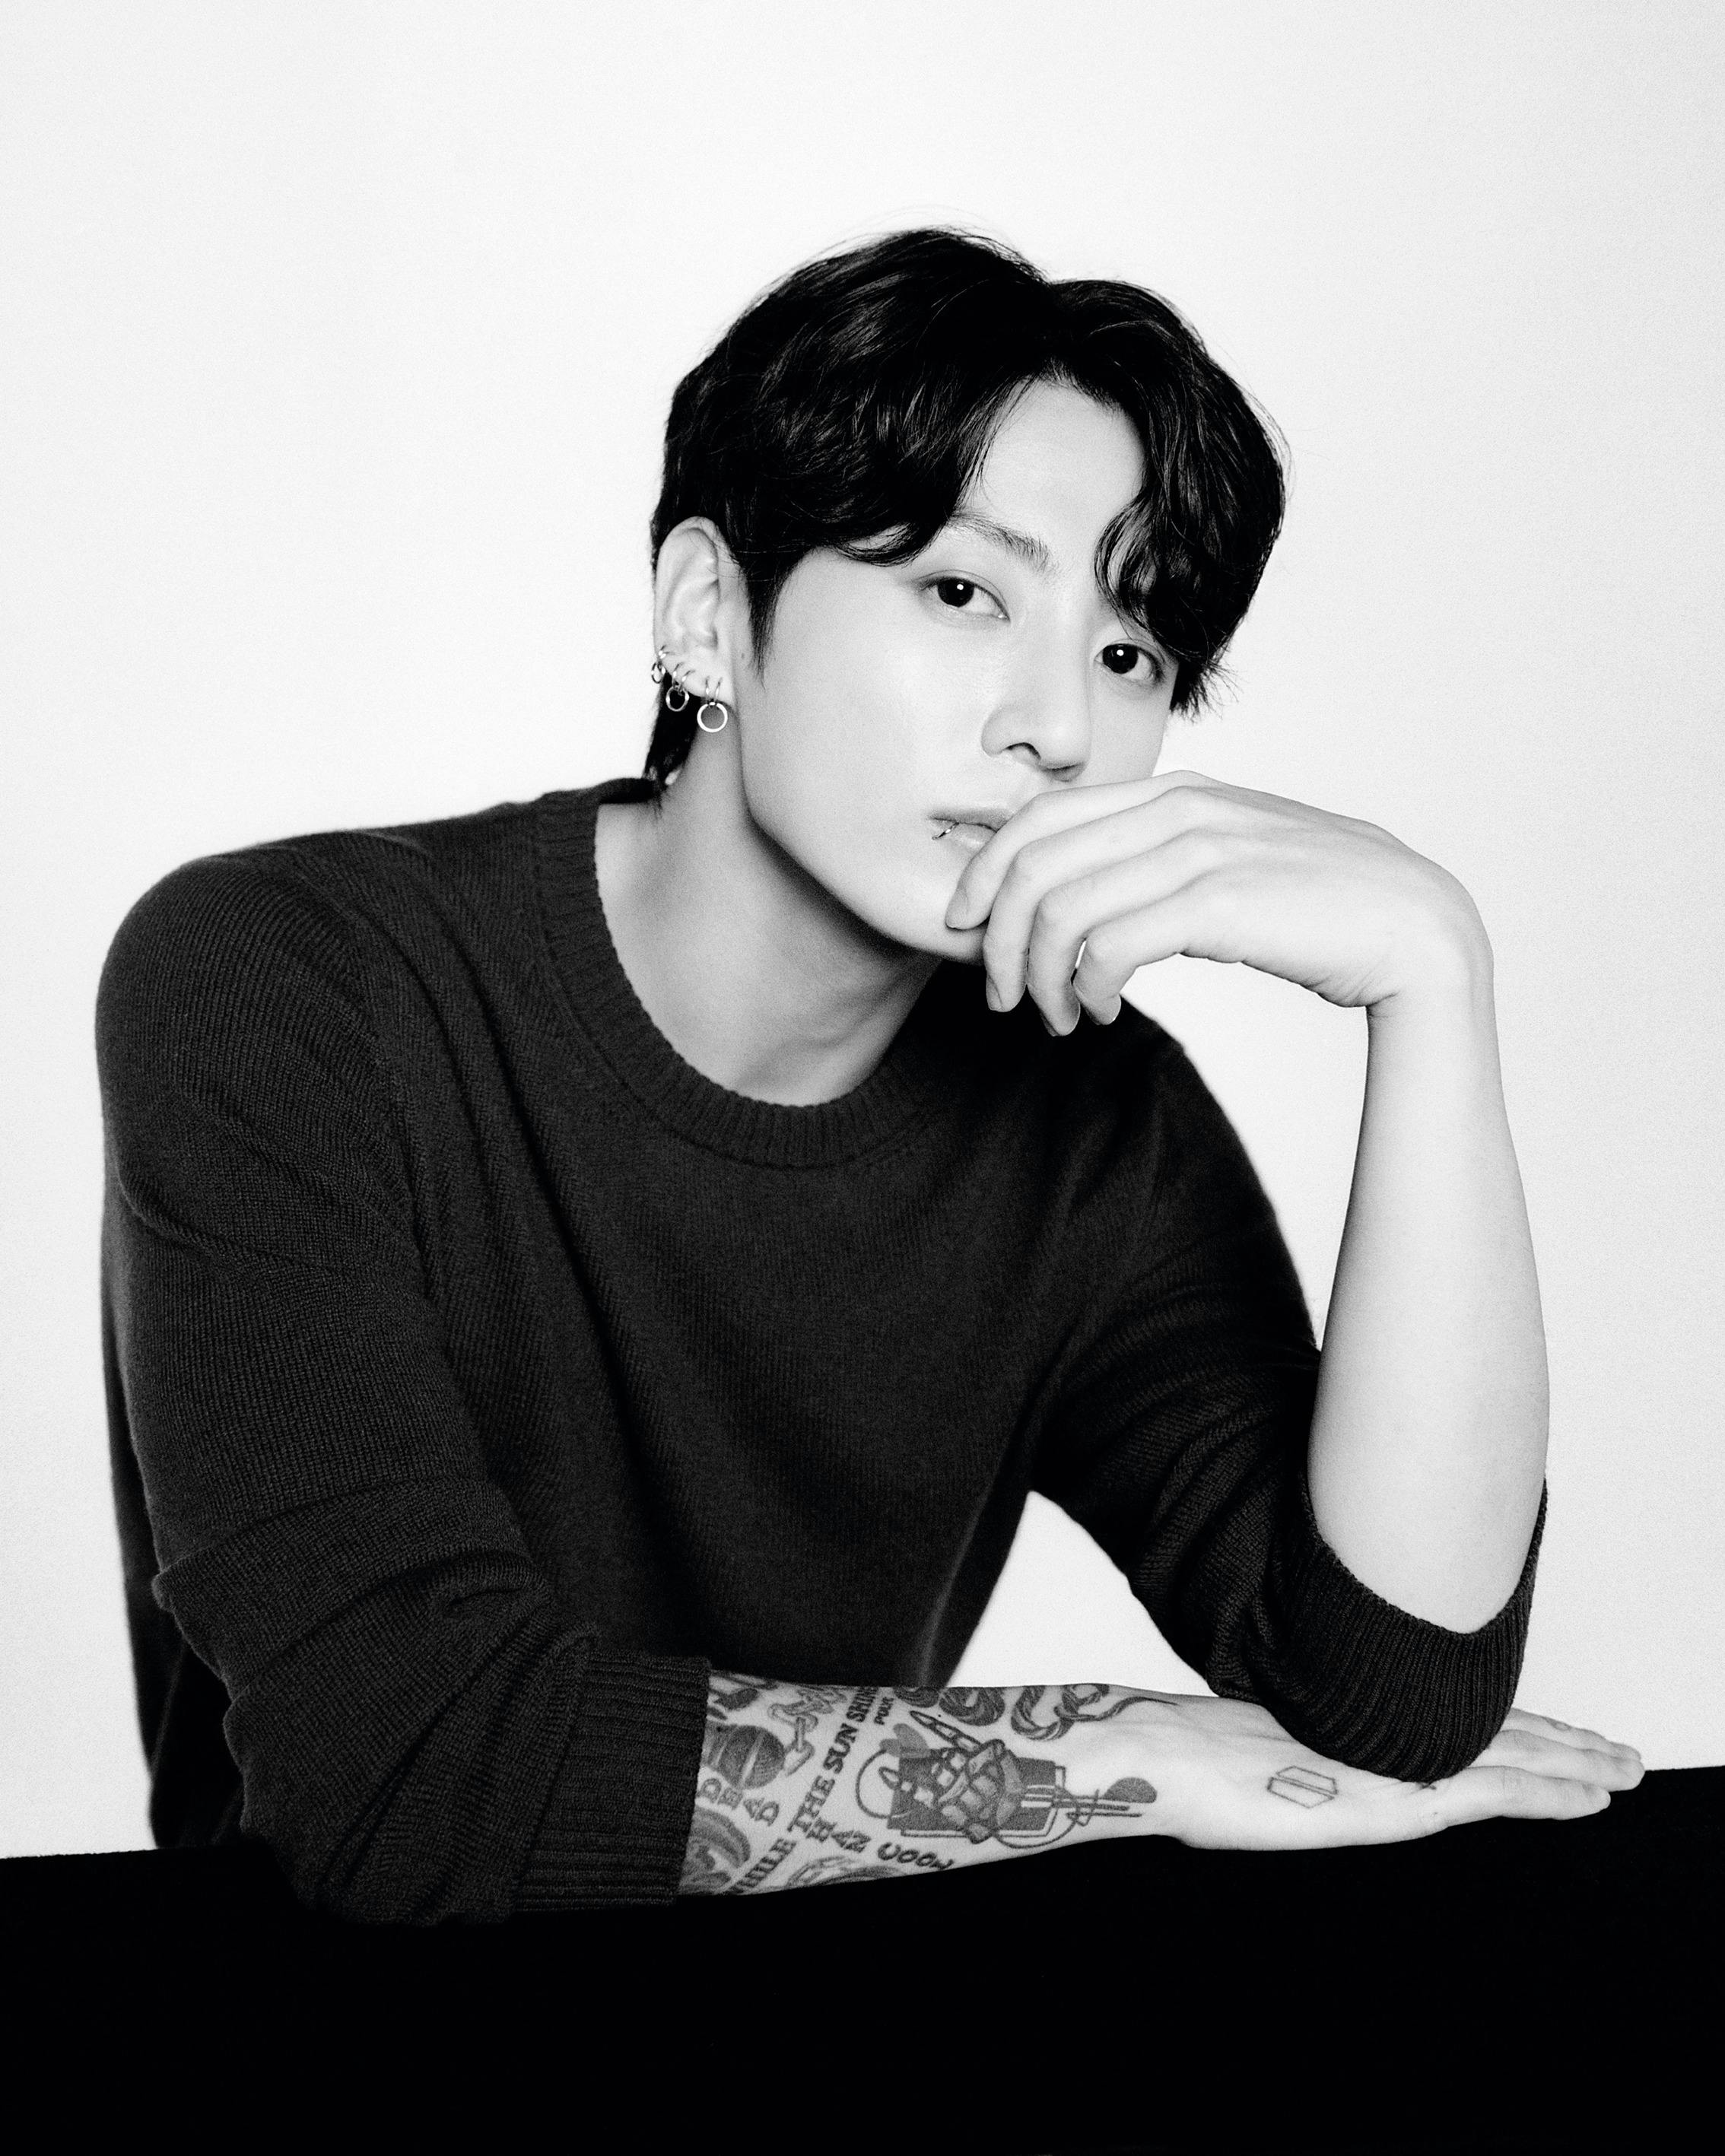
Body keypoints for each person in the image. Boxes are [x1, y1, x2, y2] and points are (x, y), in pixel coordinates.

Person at [96, 228, 1641, 1920]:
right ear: (709, 614)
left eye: (1129, 647)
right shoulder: (289, 982)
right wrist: (1126, 1754)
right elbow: (403, 1777)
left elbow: (1394, 1694)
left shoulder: (1093, 1124)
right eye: (965, 593)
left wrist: (1435, 979)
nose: (1060, 725)